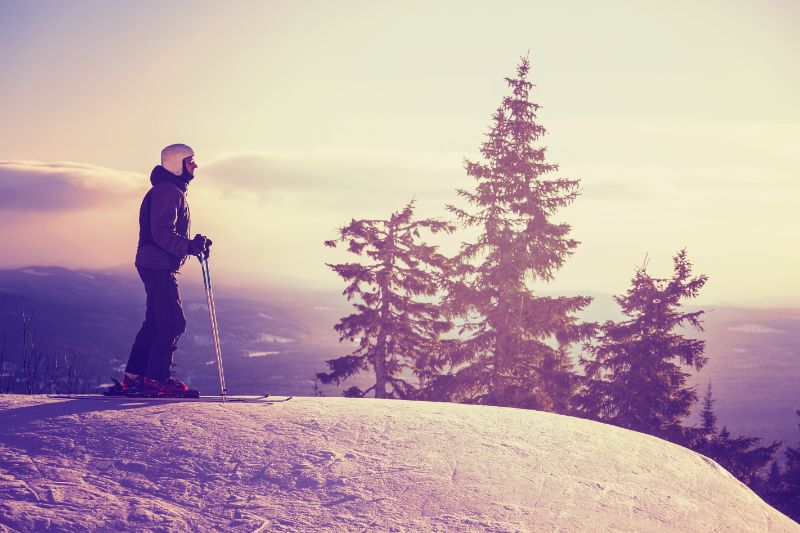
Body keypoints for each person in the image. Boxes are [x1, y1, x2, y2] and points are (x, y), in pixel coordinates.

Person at [121, 143, 211, 396]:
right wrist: (190, 246)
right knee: (173, 322)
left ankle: (136, 377)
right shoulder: (168, 191)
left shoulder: (169, 190)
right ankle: (157, 380)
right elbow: (162, 234)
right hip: (157, 263)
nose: (195, 165)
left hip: (154, 262)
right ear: (176, 164)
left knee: (156, 321)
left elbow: (165, 233)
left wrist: (193, 243)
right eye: (190, 161)